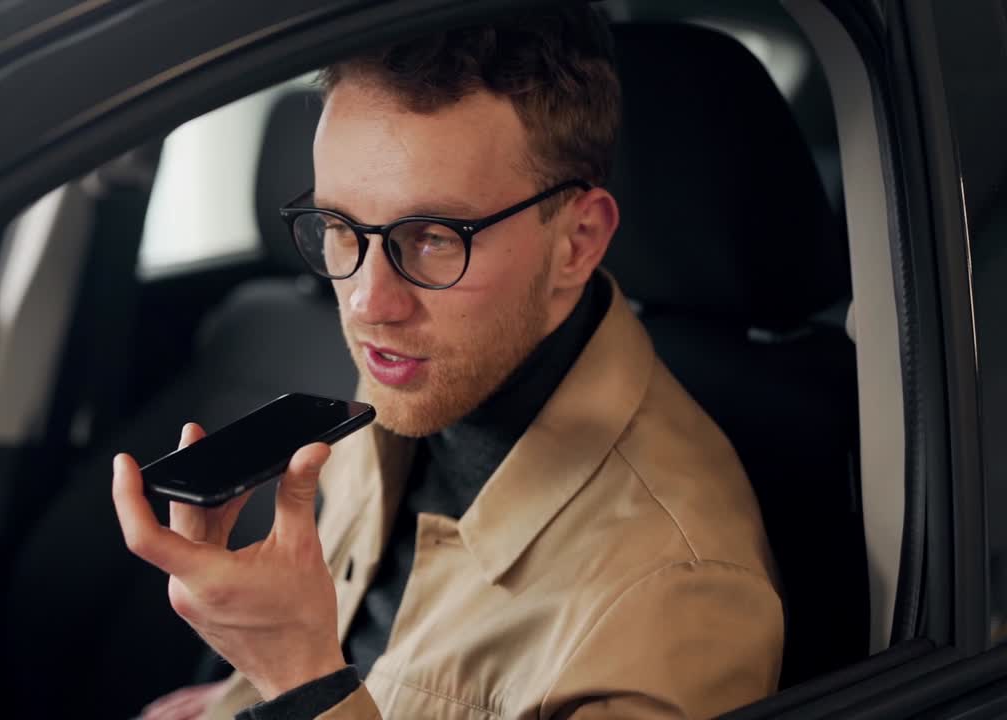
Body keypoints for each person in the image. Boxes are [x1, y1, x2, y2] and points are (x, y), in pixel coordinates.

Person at [111, 5, 783, 718]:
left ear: (579, 240)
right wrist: (239, 694)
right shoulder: (426, 364)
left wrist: (298, 681)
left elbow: (327, 671)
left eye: (432, 236)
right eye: (340, 227)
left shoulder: (679, 599)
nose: (370, 301)